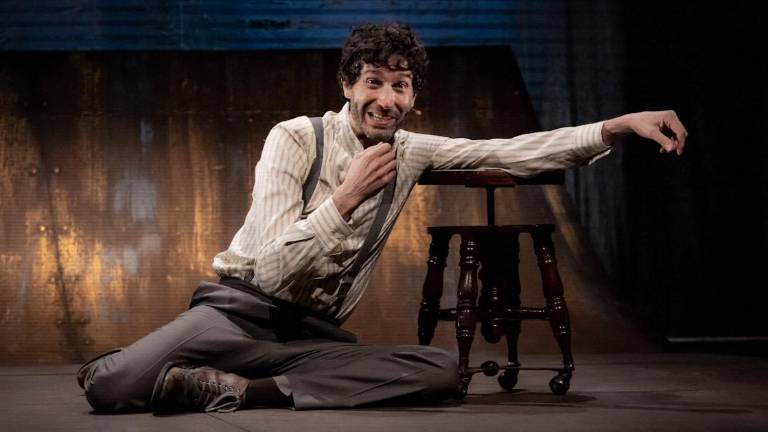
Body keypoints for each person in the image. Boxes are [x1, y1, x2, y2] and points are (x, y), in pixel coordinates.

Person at [77, 23, 687, 414]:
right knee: (109, 385)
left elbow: (509, 151)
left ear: (413, 95)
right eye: (374, 82)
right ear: (348, 84)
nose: (386, 100)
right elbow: (270, 269)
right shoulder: (295, 138)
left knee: (440, 371)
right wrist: (342, 201)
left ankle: (236, 389)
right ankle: (177, 358)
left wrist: (616, 126)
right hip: (237, 317)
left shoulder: (411, 152)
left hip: (309, 340)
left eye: (401, 86)